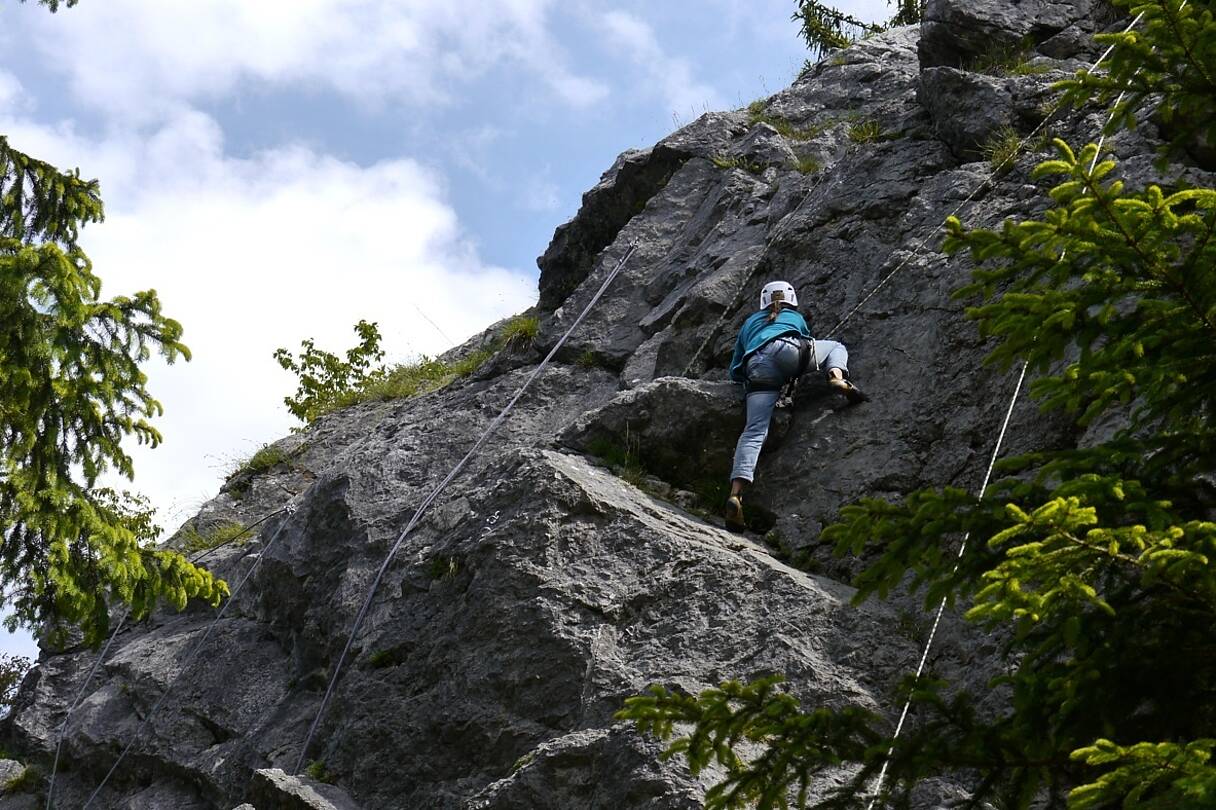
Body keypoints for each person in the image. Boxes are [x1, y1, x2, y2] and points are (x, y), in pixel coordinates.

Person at [723, 280, 866, 532]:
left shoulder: (749, 323)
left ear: (763, 301)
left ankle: (736, 494)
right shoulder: (795, 317)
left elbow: (735, 368)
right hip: (789, 351)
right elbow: (805, 343)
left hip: (757, 366)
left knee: (754, 432)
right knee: (835, 346)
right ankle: (837, 378)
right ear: (792, 298)